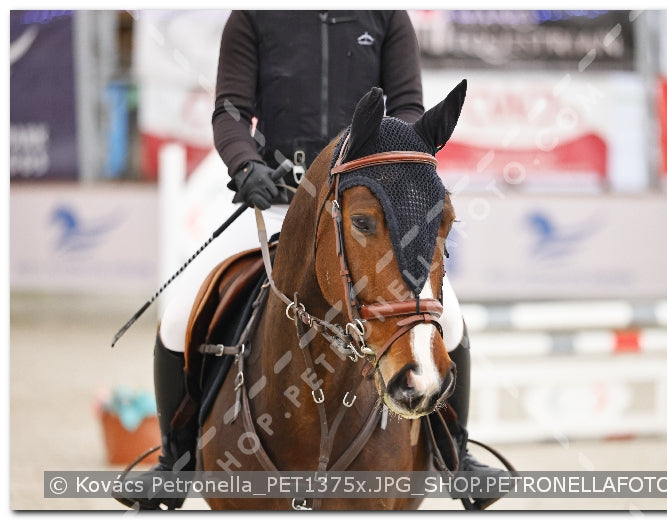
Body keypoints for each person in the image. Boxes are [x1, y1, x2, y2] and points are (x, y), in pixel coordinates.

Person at [116, 10, 503, 510]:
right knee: (178, 315)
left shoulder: (386, 16)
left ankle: (457, 454)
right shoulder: (253, 16)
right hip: (278, 199)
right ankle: (175, 461)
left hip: (363, 201)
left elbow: (408, 107)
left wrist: (382, 168)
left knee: (446, 312)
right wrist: (245, 164)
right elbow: (230, 111)